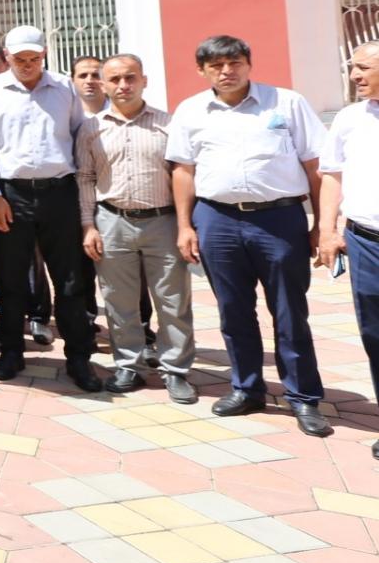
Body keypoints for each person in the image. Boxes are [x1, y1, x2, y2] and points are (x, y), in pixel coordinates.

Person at [169, 35, 330, 435]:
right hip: (217, 220)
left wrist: (321, 225)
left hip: (279, 220)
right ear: (202, 71)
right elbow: (183, 171)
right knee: (233, 310)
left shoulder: (286, 103)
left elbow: (314, 165)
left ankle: (303, 397)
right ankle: (247, 388)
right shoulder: (191, 111)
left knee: (290, 311)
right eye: (216, 66)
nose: (227, 72)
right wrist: (185, 226)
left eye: (235, 63)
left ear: (249, 64)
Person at [0, 26, 101, 391]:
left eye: (34, 58)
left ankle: (79, 358)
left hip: (60, 194)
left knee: (70, 281)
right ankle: (11, 351)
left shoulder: (63, 88)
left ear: (44, 55)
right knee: (11, 280)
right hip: (10, 195)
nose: (27, 65)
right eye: (20, 59)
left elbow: (79, 138)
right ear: (7, 58)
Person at [77, 55, 196, 402]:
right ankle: (128, 365)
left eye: (130, 78)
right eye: (114, 80)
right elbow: (84, 178)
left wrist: (186, 224)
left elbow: (183, 174)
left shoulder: (168, 125)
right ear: (104, 85)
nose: (123, 86)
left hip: (163, 221)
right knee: (119, 300)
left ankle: (175, 369)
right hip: (111, 221)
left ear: (144, 80)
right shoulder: (91, 128)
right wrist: (88, 225)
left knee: (173, 300)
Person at [318, 41, 379, 457]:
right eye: (352, 67)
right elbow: (332, 175)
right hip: (365, 242)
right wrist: (327, 230)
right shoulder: (349, 118)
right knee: (375, 335)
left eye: (363, 68)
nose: (354, 75)